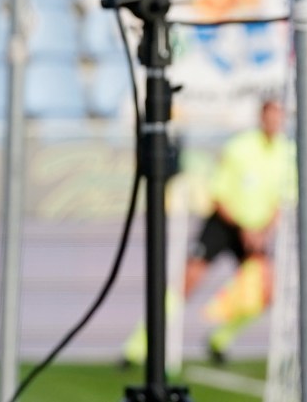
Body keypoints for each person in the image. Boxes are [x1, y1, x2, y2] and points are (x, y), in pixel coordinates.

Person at [121, 94, 297, 366]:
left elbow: (281, 200)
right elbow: (218, 194)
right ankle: (137, 347)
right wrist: (242, 227)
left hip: (256, 233)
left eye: (280, 114)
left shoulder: (288, 153)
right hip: (224, 225)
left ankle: (219, 339)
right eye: (271, 113)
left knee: (266, 291)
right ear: (262, 116)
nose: (276, 119)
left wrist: (263, 231)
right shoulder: (239, 147)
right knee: (186, 283)